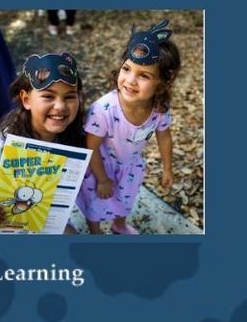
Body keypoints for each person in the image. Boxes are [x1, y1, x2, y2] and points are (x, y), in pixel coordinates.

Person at [77, 21, 181, 234]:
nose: (130, 80)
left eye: (144, 75)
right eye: (127, 69)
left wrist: (167, 168)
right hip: (99, 168)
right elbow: (91, 147)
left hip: (130, 167)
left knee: (126, 199)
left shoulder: (159, 108)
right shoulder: (103, 109)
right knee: (95, 204)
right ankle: (95, 232)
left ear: (163, 82)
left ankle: (119, 225)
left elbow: (164, 136)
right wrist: (103, 179)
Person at [0, 52, 86, 233]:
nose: (61, 106)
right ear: (26, 99)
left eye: (70, 96)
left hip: (47, 222)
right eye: (48, 96)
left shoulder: (73, 138)